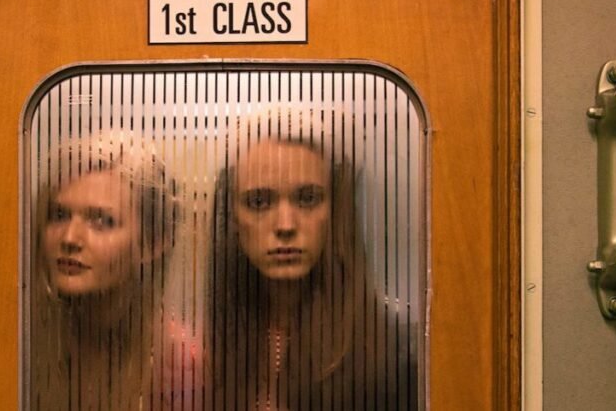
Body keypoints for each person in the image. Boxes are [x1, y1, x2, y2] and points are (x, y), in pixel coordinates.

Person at [208, 106, 392, 410]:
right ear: (232, 217)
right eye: (258, 201)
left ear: (334, 210)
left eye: (307, 198)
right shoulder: (209, 350)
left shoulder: (391, 351)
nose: (285, 226)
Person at [34, 130, 181, 410]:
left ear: (154, 242)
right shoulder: (28, 344)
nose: (70, 238)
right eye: (59, 215)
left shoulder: (181, 363)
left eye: (101, 220)